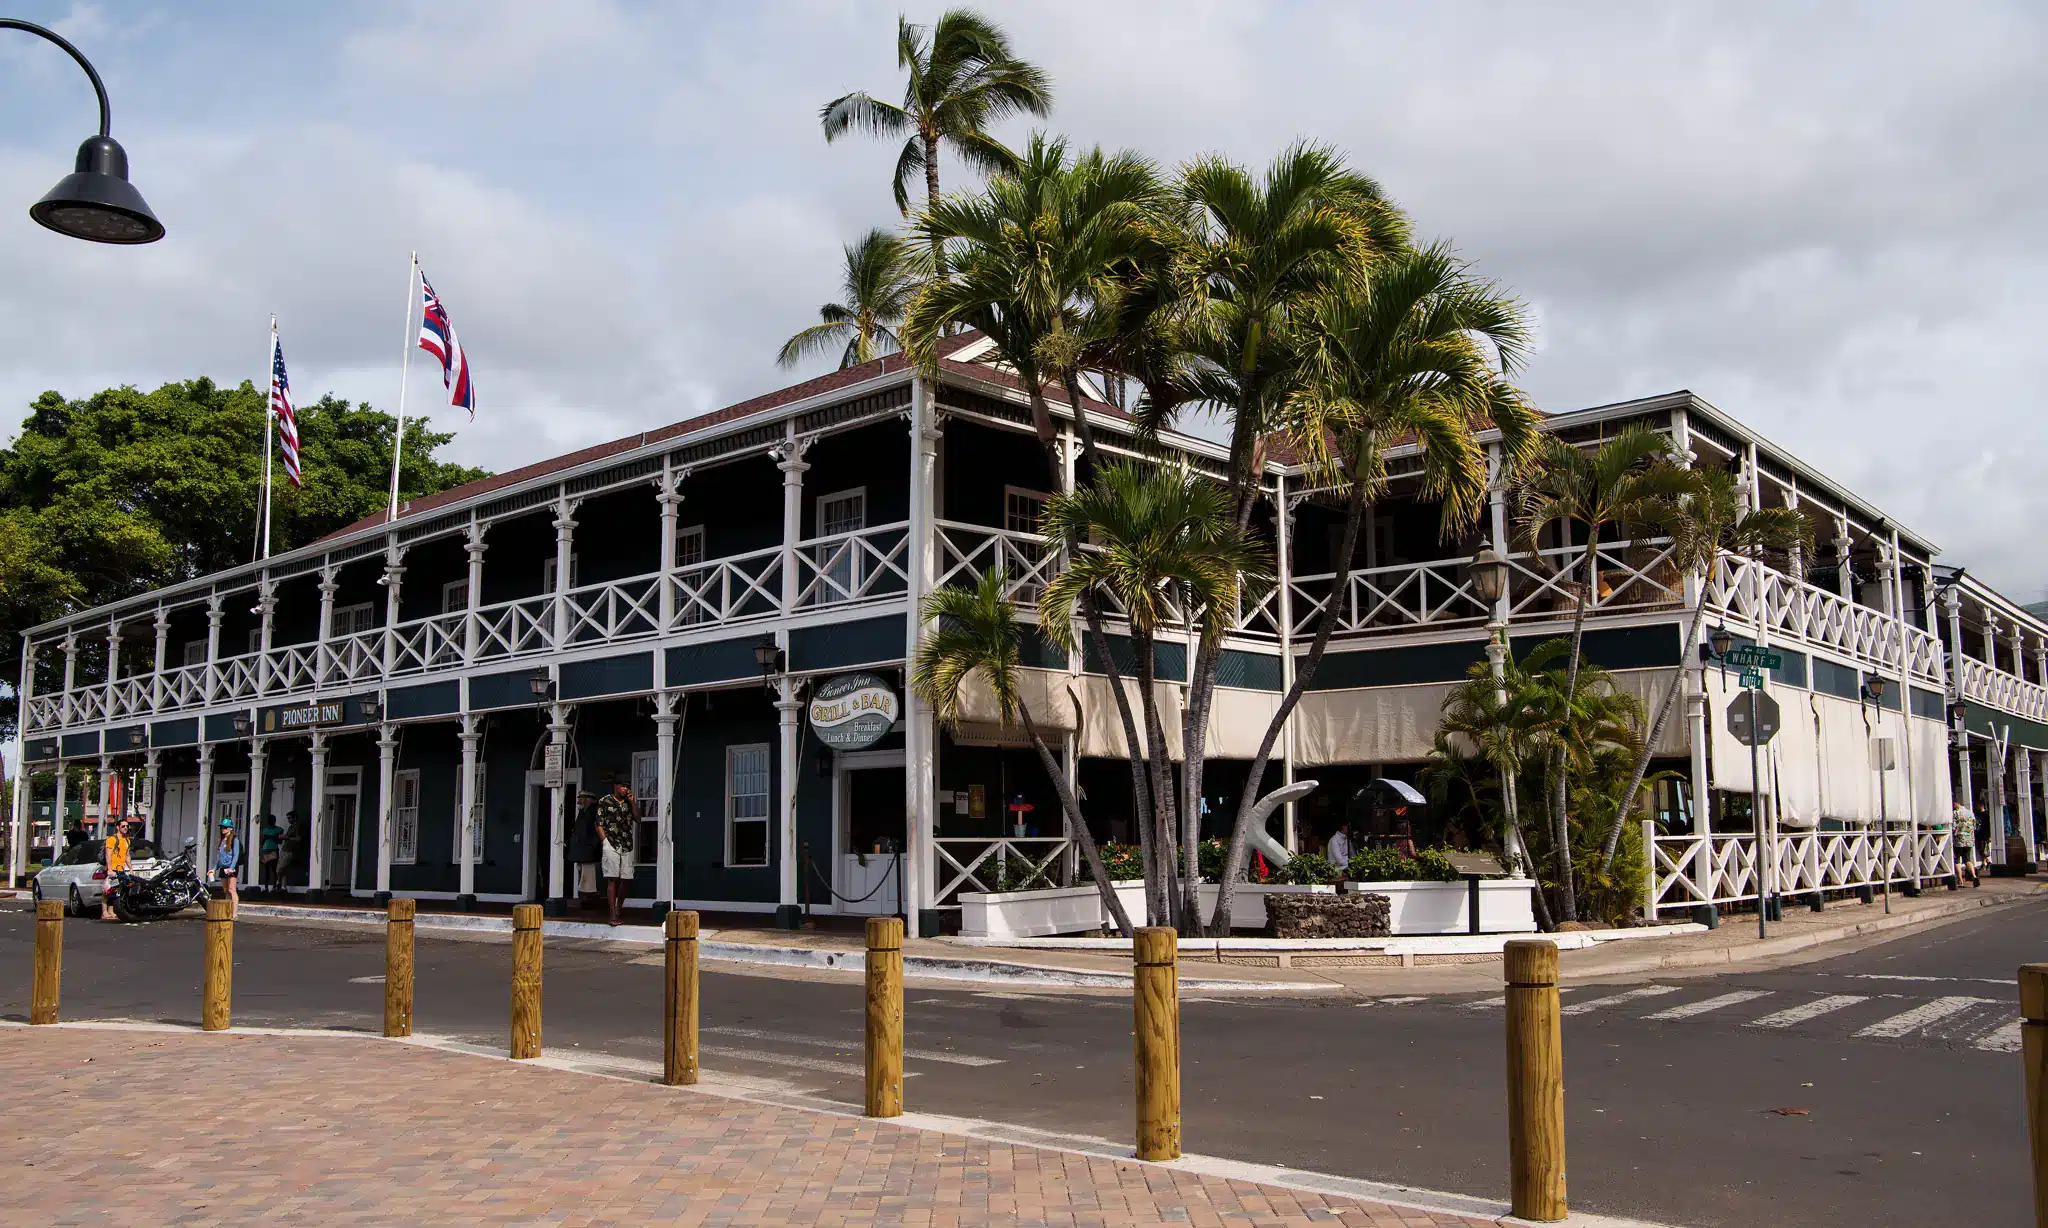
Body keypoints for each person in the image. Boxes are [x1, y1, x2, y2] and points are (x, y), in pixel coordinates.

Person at [595, 780, 638, 926]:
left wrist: (632, 802)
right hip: (611, 842)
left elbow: (638, 818)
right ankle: (612, 914)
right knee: (612, 878)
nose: (625, 789)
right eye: (622, 786)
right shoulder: (604, 801)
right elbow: (598, 823)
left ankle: (619, 907)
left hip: (626, 843)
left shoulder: (628, 802)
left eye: (627, 786)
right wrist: (605, 841)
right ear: (615, 786)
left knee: (627, 878)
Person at [569, 790, 601, 912]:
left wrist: (591, 846)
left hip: (588, 852)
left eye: (581, 798)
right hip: (580, 851)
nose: (578, 801)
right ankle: (584, 900)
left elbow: (596, 831)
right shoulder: (583, 812)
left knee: (588, 878)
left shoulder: (593, 812)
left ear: (588, 799)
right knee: (582, 876)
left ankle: (588, 901)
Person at [100, 817, 133, 921]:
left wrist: (130, 868)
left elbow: (127, 856)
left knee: (116, 891)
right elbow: (108, 854)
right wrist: (109, 869)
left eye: (127, 826)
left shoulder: (127, 840)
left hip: (120, 869)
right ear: (118, 827)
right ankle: (104, 912)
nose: (126, 828)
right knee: (107, 890)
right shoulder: (112, 839)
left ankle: (111, 911)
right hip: (112, 869)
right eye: (123, 826)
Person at [1950, 800, 1979, 887]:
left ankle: (1960, 881)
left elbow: (1953, 827)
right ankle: (1974, 876)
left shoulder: (1955, 813)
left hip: (1958, 840)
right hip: (1969, 840)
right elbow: (1974, 826)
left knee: (1957, 860)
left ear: (1955, 804)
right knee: (1967, 860)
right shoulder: (1970, 813)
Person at [214, 820, 242, 907]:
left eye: (225, 827)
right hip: (223, 867)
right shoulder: (222, 840)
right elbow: (220, 858)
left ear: (230, 828)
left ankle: (234, 913)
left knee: (232, 889)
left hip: (231, 867)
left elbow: (236, 855)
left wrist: (232, 867)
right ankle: (228, 910)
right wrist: (214, 869)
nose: (223, 829)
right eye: (222, 827)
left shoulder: (235, 839)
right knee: (226, 890)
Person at [277, 809, 305, 890]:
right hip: (285, 849)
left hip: (290, 850)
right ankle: (283, 887)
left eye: (290, 818)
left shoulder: (298, 827)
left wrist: (287, 837)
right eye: (288, 818)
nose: (288, 820)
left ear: (295, 818)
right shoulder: (290, 827)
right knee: (283, 869)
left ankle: (278, 883)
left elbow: (298, 839)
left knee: (280, 869)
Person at [259, 813, 283, 890]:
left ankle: (274, 886)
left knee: (274, 869)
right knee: (266, 869)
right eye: (269, 821)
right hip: (265, 850)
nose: (270, 822)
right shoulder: (265, 830)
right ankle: (266, 887)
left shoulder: (279, 829)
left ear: (274, 821)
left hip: (274, 850)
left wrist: (270, 837)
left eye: (271, 820)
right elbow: (262, 841)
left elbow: (280, 841)